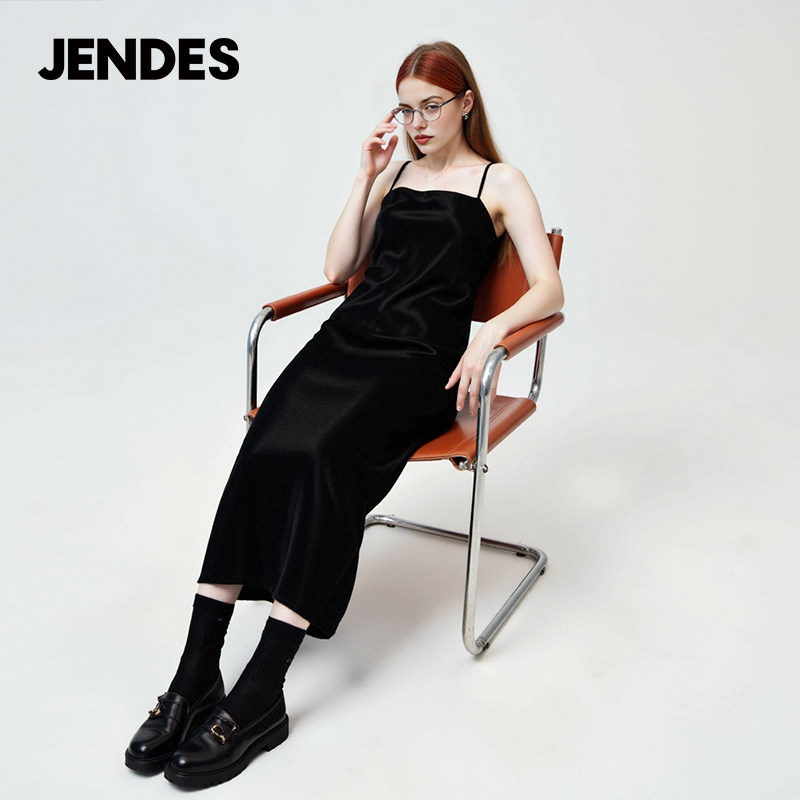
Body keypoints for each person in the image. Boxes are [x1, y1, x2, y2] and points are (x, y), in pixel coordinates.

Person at [125, 40, 564, 789]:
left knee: (325, 457)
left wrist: (487, 335)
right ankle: (195, 674)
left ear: (466, 104)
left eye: (432, 107)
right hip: (347, 342)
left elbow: (548, 288)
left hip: (419, 363)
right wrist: (364, 177)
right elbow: (337, 269)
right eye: (406, 109)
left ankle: (261, 692)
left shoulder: (500, 181)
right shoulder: (395, 172)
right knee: (266, 444)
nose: (418, 123)